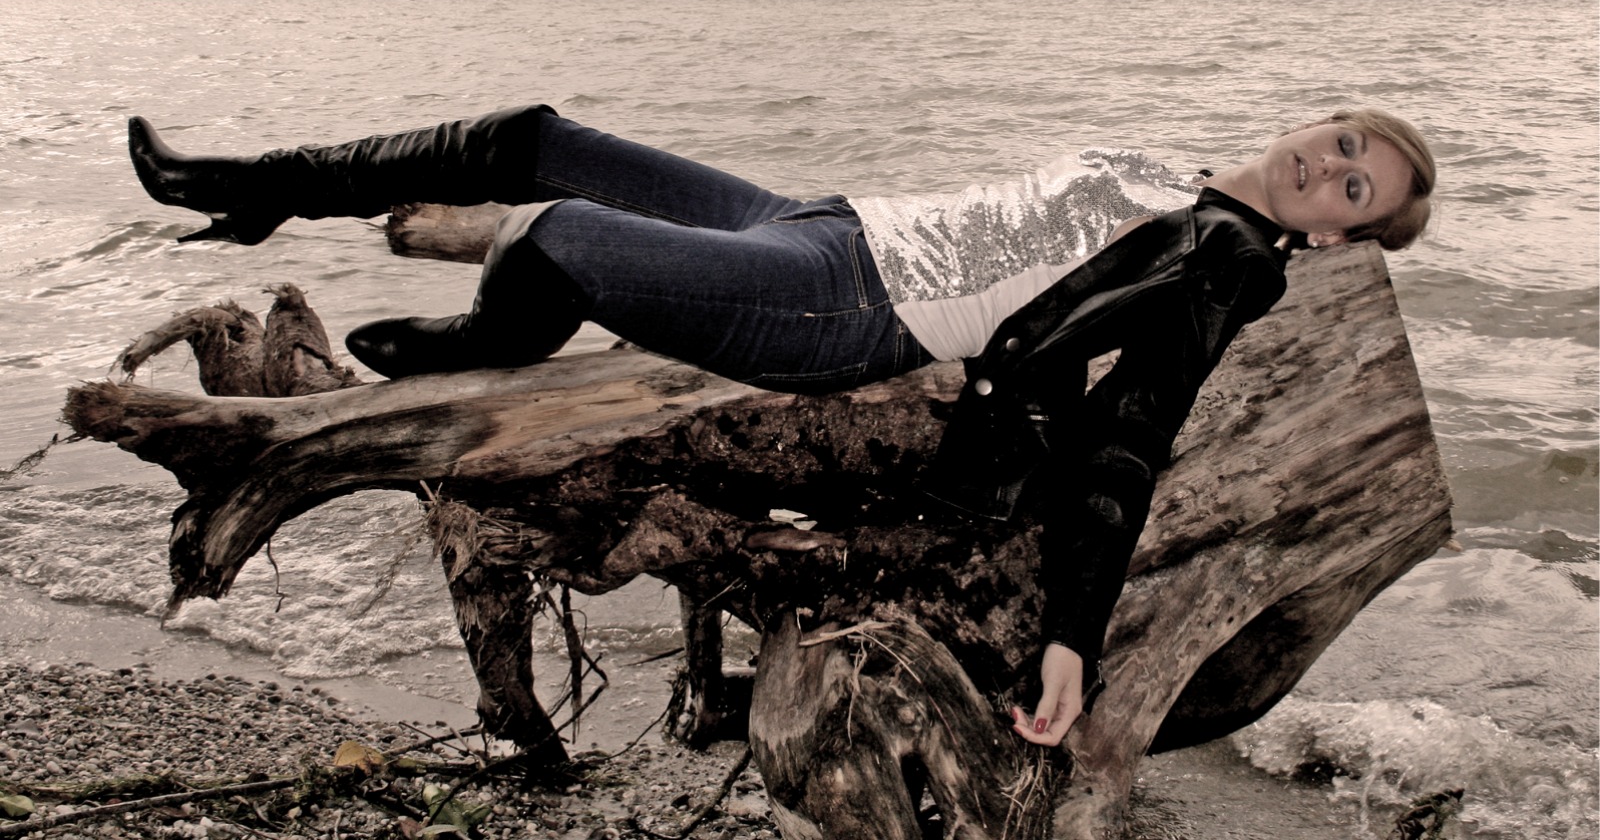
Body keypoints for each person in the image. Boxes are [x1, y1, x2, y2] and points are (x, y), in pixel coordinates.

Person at [126, 103, 1435, 749]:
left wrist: (1075, 640)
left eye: (1356, 185)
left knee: (564, 241)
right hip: (820, 221)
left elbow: (1129, 441)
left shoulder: (1224, 258)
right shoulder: (1177, 181)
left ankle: (471, 360)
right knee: (535, 139)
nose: (1330, 163)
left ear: (1336, 232)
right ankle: (246, 190)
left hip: (845, 302)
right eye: (1340, 138)